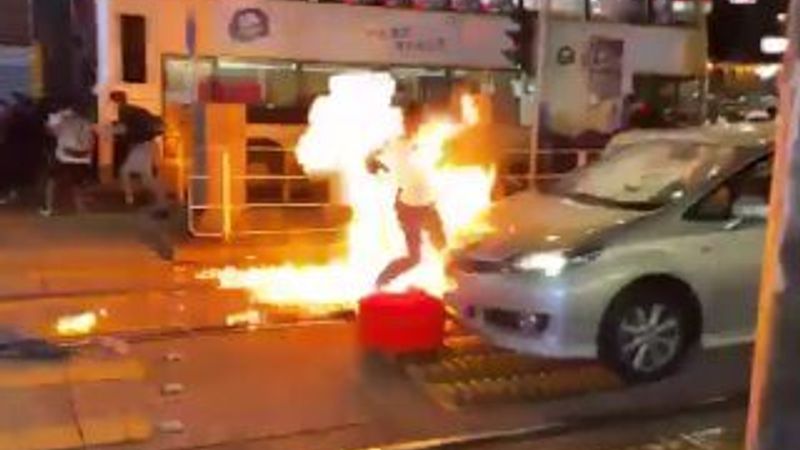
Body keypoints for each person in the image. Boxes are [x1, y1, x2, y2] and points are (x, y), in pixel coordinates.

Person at [367, 105, 447, 288]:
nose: (417, 124)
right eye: (414, 120)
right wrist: (377, 166)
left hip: (426, 204)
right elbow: (372, 158)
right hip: (409, 206)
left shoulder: (427, 141)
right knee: (414, 257)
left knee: (444, 250)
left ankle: (453, 287)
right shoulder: (397, 144)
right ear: (406, 121)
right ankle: (380, 283)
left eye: (419, 120)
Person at [109, 90, 168, 218]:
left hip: (143, 145)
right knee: (143, 176)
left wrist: (113, 131)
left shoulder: (124, 111)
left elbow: (125, 130)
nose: (110, 105)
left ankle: (158, 203)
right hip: (146, 144)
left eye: (111, 102)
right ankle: (159, 202)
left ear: (115, 101)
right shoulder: (132, 110)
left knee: (132, 173)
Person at [42, 106, 95, 216]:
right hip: (83, 158)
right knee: (78, 185)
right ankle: (81, 209)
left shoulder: (63, 122)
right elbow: (90, 140)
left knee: (52, 182)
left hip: (65, 157)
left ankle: (49, 208)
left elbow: (51, 132)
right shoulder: (86, 122)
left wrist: (48, 124)